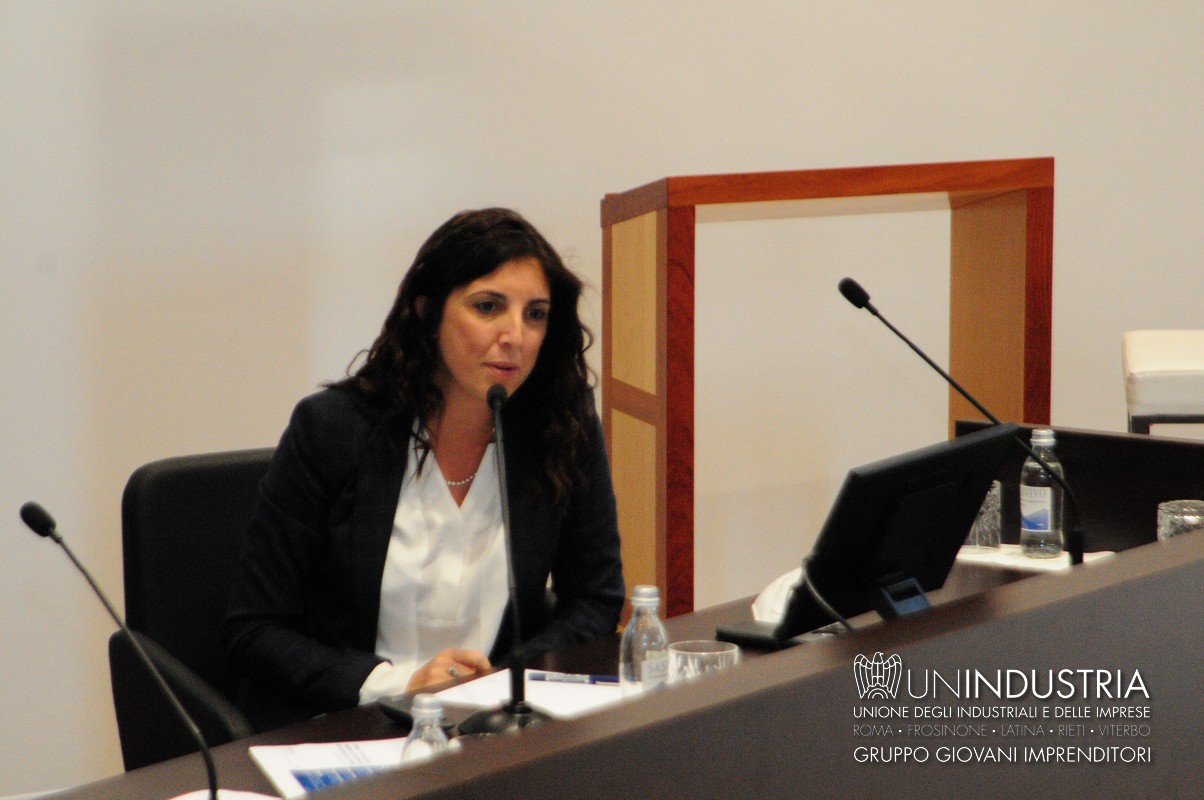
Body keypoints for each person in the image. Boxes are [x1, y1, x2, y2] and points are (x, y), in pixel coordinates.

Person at [223, 208, 625, 731]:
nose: (516, 336)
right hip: (350, 724)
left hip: (491, 731)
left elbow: (594, 599)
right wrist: (398, 684)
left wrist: (502, 682)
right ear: (426, 310)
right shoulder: (333, 429)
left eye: (535, 314)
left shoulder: (561, 427)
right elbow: (255, 629)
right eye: (488, 307)